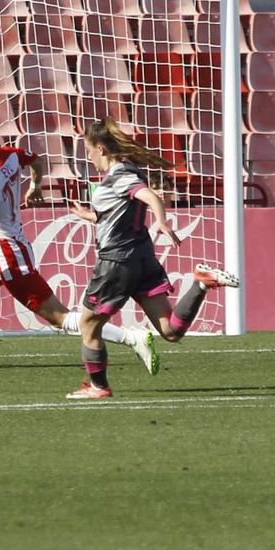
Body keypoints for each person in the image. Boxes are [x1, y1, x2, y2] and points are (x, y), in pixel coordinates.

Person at [0, 114, 156, 394]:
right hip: (0, 251)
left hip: (7, 256)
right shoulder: (9, 154)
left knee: (59, 318)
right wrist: (35, 186)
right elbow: (36, 161)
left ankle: (132, 337)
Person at [67, 119, 239, 400]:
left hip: (117, 262)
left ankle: (99, 387)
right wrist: (89, 215)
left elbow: (151, 197)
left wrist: (161, 222)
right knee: (170, 331)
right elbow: (117, 211)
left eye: (88, 151)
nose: (88, 157)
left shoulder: (120, 175)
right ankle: (201, 284)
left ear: (100, 148)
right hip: (142, 258)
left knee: (88, 325)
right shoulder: (126, 172)